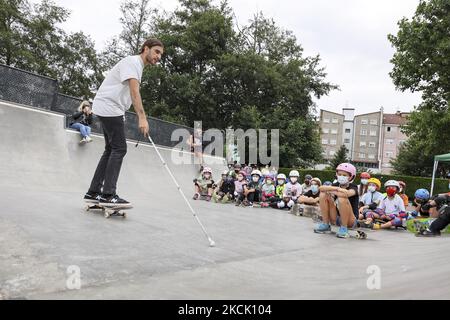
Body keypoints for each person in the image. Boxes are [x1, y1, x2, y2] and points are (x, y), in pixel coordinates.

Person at [84, 39, 164, 207]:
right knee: (119, 148)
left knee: (110, 149)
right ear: (146, 49)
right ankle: (108, 194)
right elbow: (135, 93)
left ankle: (93, 192)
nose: (158, 57)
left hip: (110, 107)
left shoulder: (137, 66)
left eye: (160, 54)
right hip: (109, 106)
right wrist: (142, 117)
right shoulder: (133, 62)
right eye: (156, 52)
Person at [314, 163, 360, 238]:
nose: (341, 176)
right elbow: (321, 188)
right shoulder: (336, 185)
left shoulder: (354, 187)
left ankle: (344, 228)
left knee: (342, 198)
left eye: (344, 175)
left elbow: (347, 194)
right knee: (323, 194)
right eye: (339, 174)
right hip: (336, 218)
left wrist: (332, 190)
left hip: (350, 220)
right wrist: (337, 189)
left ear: (351, 177)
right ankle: (326, 224)